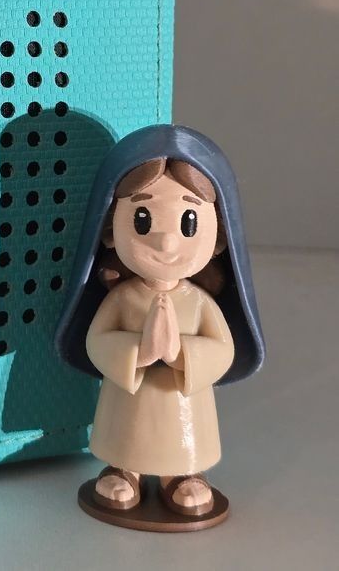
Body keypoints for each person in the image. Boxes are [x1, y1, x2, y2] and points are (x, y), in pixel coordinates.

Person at [55, 124, 265, 521]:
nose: (166, 243)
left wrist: (181, 353)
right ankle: (124, 469)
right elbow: (97, 340)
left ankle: (182, 474)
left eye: (188, 223)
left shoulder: (199, 303)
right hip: (129, 398)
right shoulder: (122, 299)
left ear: (219, 237)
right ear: (110, 229)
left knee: (181, 443)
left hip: (184, 403)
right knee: (126, 437)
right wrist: (137, 351)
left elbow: (222, 350)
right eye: (142, 220)